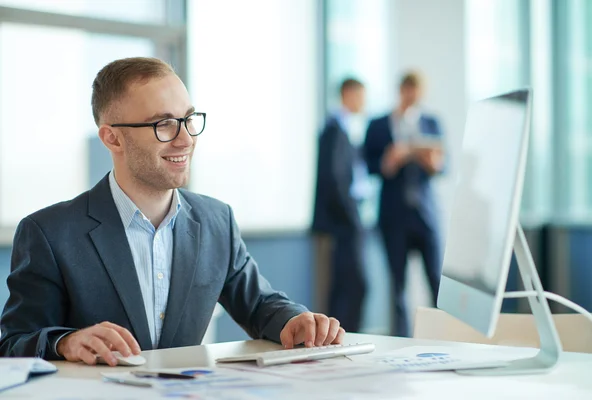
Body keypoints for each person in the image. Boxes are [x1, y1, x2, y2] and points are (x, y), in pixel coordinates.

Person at [0, 57, 344, 365]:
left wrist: (295, 321)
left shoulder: (216, 221)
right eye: (163, 124)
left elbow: (258, 305)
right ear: (112, 139)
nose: (186, 139)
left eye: (189, 119)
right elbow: (13, 342)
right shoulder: (49, 233)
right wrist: (65, 342)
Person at [363, 71, 445, 337]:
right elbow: (369, 165)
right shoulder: (378, 124)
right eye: (409, 91)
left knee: (437, 282)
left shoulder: (432, 123)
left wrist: (433, 163)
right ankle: (401, 340)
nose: (413, 97)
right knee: (397, 286)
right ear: (401, 91)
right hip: (393, 216)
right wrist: (389, 161)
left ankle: (445, 337)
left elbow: (445, 165)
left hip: (426, 214)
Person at [311, 78, 368, 333]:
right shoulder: (335, 129)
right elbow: (334, 180)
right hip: (342, 225)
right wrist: (352, 217)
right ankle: (346, 337)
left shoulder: (344, 129)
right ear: (348, 94)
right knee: (353, 287)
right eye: (361, 96)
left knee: (344, 288)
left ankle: (338, 336)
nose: (363, 103)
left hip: (346, 222)